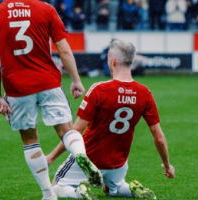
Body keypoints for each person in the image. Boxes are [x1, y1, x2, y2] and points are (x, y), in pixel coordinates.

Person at [0, 1, 102, 200]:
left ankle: (48, 194)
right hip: (48, 82)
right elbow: (63, 49)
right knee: (66, 131)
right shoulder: (45, 9)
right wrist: (75, 80)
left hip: (17, 88)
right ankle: (80, 155)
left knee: (30, 140)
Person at [47, 39, 175, 200]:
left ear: (113, 61)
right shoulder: (145, 93)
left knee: (55, 188)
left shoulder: (99, 89)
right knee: (111, 189)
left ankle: (79, 193)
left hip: (90, 158)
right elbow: (159, 137)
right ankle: (131, 190)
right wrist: (167, 165)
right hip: (118, 162)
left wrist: (51, 156)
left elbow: (76, 131)